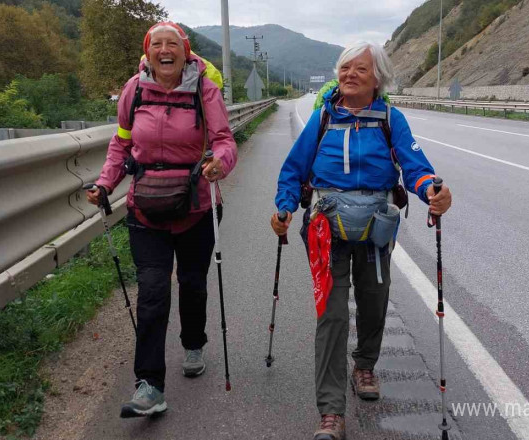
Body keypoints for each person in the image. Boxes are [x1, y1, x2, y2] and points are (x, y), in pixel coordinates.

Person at [270, 41, 452, 440]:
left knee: (373, 302)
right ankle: (331, 412)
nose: (350, 74)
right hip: (325, 231)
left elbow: (416, 168)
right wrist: (283, 208)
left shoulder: (391, 119)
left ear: (378, 79)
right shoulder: (322, 119)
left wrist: (432, 191)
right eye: (345, 68)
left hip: (375, 231)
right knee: (332, 316)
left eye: (361, 69)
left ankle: (365, 364)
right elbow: (292, 170)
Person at [88, 21, 237, 418]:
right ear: (148, 51)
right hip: (145, 206)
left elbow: (224, 140)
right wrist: (105, 185)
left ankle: (193, 343)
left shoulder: (204, 89)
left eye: (173, 44)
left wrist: (219, 164)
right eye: (158, 44)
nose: (165, 50)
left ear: (186, 52)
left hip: (196, 206)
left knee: (191, 284)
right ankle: (150, 385)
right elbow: (120, 144)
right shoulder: (133, 90)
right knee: (153, 291)